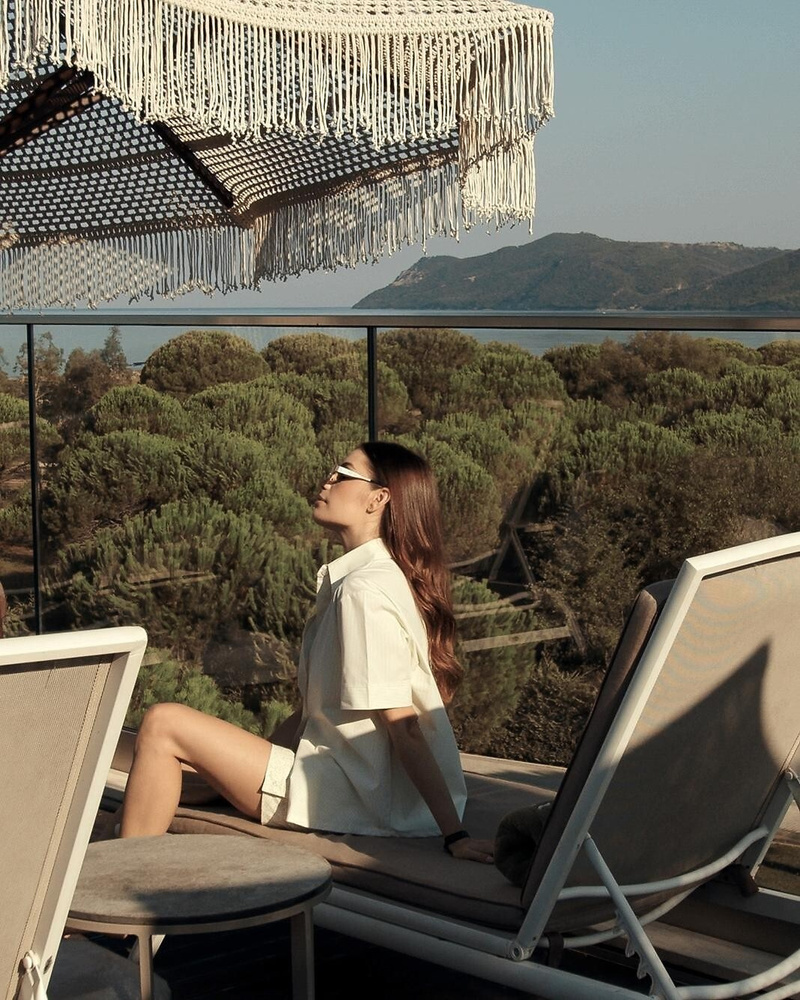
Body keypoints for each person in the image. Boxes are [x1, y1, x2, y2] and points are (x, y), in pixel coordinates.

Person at [120, 441, 494, 863]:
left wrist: (455, 835)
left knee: (163, 722)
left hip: (353, 797)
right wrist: (237, 775)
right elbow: (311, 713)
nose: (327, 479)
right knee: (173, 753)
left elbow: (403, 724)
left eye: (343, 473)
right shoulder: (373, 577)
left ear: (378, 499)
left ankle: (121, 886)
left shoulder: (363, 590)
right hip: (353, 786)